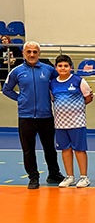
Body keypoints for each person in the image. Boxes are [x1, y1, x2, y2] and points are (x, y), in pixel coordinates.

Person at [2, 41, 63, 188]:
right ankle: (33, 177)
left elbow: (60, 83)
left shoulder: (49, 70)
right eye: (28, 52)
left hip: (46, 116)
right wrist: (20, 99)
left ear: (39, 53)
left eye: (35, 52)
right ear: (23, 53)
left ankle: (54, 174)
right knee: (28, 150)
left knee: (50, 148)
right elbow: (6, 89)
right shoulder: (16, 71)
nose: (31, 54)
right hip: (26, 117)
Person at [50, 54, 93, 188]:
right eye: (60, 66)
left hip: (77, 123)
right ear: (56, 68)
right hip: (60, 123)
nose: (63, 68)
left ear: (71, 67)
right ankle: (70, 177)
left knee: (79, 149)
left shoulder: (79, 81)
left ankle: (84, 177)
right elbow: (53, 99)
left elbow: (88, 97)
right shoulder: (52, 83)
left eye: (66, 66)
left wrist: (76, 108)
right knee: (65, 149)